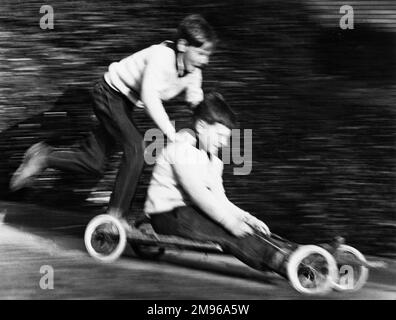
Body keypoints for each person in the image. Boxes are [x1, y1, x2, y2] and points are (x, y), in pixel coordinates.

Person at [10, 14, 217, 231]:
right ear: (183, 45)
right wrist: (172, 134)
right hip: (109, 93)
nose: (205, 60)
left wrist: (208, 127)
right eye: (201, 53)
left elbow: (196, 102)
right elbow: (150, 98)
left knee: (93, 162)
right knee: (137, 148)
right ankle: (115, 216)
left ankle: (43, 157)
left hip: (124, 105)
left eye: (208, 55)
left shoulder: (194, 73)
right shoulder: (161, 57)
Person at [142, 92, 297, 274]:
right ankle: (281, 260)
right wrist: (230, 222)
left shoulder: (215, 162)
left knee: (248, 228)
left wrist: (246, 217)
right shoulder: (180, 151)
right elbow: (198, 194)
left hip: (193, 213)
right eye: (220, 135)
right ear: (201, 126)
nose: (224, 142)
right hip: (168, 215)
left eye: (227, 137)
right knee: (227, 231)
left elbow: (219, 200)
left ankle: (297, 252)